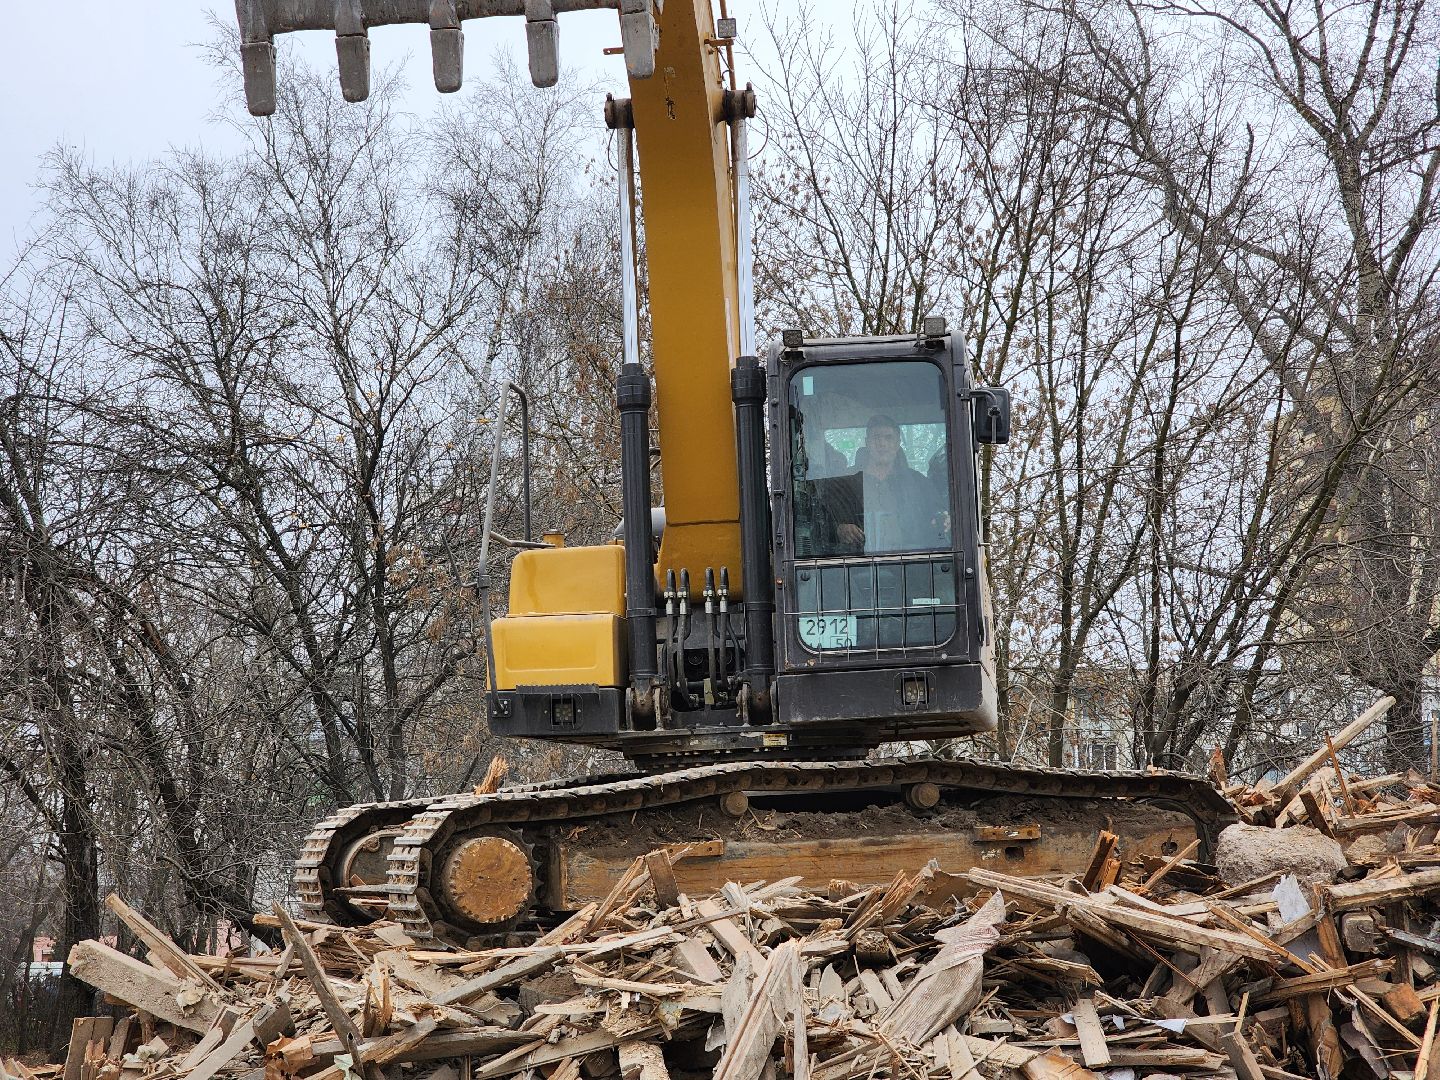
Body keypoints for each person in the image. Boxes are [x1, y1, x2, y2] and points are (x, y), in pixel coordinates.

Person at [829, 415, 944, 553]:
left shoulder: (918, 483)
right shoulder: (846, 483)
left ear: (897, 444)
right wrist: (839, 529)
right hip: (857, 565)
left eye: (888, 438)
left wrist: (943, 518)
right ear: (867, 443)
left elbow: (939, 514)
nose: (882, 443)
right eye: (876, 437)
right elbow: (825, 520)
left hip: (912, 562)